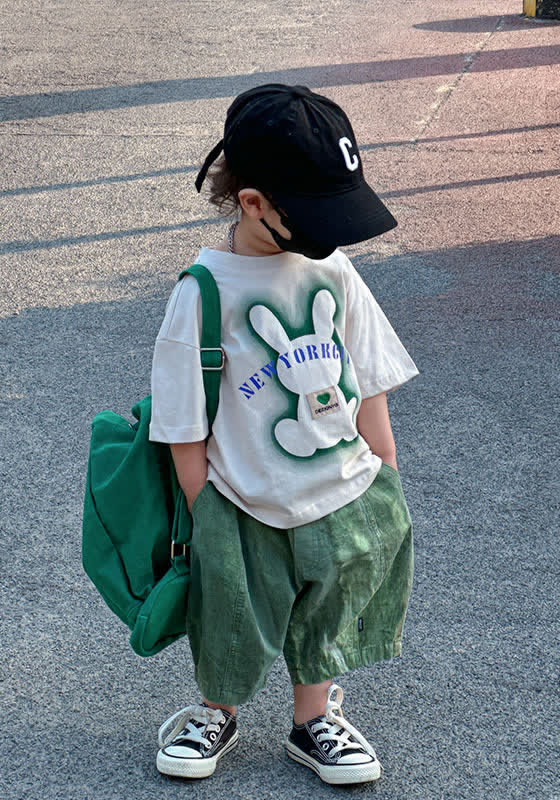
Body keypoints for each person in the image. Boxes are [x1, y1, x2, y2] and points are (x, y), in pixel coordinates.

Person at [148, 84, 418, 786]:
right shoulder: (204, 292)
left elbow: (369, 372)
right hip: (241, 495)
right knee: (232, 612)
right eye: (317, 216)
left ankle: (313, 718)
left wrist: (384, 470)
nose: (332, 233)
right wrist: (205, 506)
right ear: (253, 203)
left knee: (330, 610)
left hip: (343, 483)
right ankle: (217, 710)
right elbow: (182, 420)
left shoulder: (332, 267)